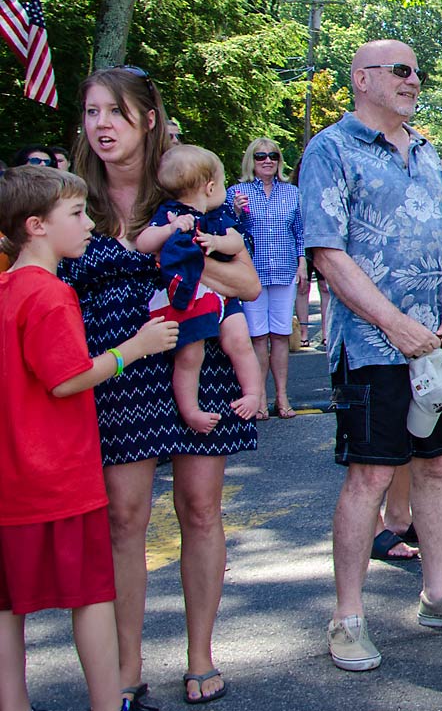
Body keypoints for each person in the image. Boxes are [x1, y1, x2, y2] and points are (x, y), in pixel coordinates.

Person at [300, 40, 442, 673]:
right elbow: (328, 254)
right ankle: (348, 618)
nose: (415, 80)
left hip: (438, 347)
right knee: (370, 475)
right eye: (401, 71)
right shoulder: (330, 150)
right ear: (362, 80)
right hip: (372, 348)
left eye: (418, 70)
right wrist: (393, 324)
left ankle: (438, 593)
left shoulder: (421, 150)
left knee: (438, 467)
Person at [66, 66, 261, 707]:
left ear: (147, 118)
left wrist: (175, 254)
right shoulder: (70, 199)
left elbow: (248, 286)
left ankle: (200, 654)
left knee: (201, 510)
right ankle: (125, 666)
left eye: (115, 113)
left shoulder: (186, 190)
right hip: (116, 370)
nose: (101, 126)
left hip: (195, 359)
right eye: (92, 113)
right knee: (124, 519)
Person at [0, 166, 180, 711]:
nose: (87, 225)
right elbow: (65, 379)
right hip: (60, 474)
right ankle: (109, 701)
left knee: (8, 605)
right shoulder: (50, 294)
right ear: (36, 225)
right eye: (76, 215)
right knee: (93, 596)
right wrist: (136, 347)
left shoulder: (6, 287)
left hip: (13, 478)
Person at [133, 145, 266, 438]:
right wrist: (170, 231)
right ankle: (190, 410)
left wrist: (216, 243)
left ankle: (254, 394)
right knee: (190, 356)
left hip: (223, 296)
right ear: (209, 187)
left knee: (240, 340)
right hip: (189, 296)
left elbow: (236, 243)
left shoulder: (218, 217)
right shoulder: (169, 213)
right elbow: (144, 242)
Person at [227, 138, 305, 421]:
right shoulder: (237, 192)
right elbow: (228, 230)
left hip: (284, 270)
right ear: (252, 160)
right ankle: (258, 396)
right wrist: (234, 211)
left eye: (273, 155)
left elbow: (300, 233)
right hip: (252, 274)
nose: (268, 160)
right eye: (261, 156)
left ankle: (281, 397)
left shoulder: (292, 193)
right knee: (258, 337)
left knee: (281, 335)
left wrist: (302, 264)